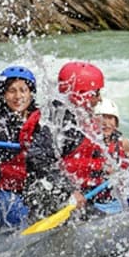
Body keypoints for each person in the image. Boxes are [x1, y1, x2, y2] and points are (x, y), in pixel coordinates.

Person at [0, 66, 71, 228]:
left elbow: (50, 157)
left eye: (23, 90)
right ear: (3, 95)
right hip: (7, 192)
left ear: (31, 93)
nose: (18, 96)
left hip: (35, 186)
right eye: (11, 91)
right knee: (12, 210)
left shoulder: (43, 120)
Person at [49, 61, 109, 194]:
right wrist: (71, 191)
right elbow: (44, 162)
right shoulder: (64, 126)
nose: (100, 99)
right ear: (82, 94)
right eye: (96, 93)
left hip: (93, 189)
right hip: (73, 195)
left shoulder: (82, 118)